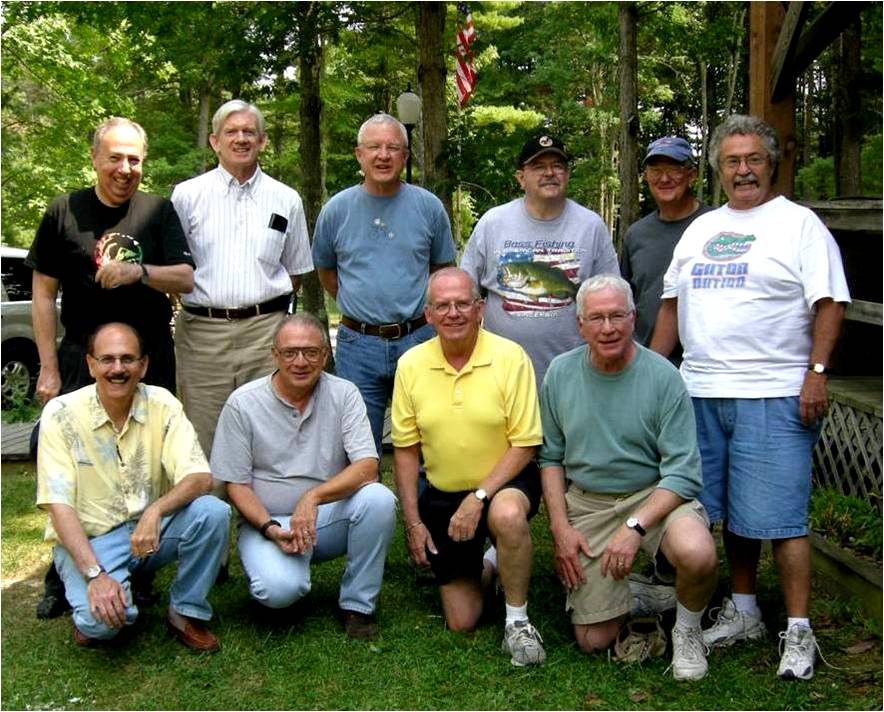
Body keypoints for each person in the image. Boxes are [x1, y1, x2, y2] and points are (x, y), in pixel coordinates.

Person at [650, 114, 850, 681]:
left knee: (783, 520)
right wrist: (650, 371)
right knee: (725, 512)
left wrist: (816, 371)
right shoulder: (699, 229)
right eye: (732, 161)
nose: (743, 170)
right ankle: (743, 611)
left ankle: (799, 631)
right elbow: (672, 308)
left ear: (771, 164)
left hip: (775, 391)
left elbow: (830, 302)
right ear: (717, 170)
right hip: (701, 392)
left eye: (753, 159)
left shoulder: (800, 225)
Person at [26, 116, 196, 619]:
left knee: (148, 465)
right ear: (95, 158)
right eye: (115, 158)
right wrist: (47, 367)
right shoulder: (64, 212)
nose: (125, 169)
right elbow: (42, 294)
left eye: (135, 159)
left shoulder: (158, 212)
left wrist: (137, 272)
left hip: (148, 361)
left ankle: (139, 570)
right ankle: (63, 573)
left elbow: (185, 279)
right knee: (68, 464)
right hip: (83, 358)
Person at [539, 274, 718, 680]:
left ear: (633, 318)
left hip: (654, 495)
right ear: (579, 324)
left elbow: (683, 473)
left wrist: (635, 527)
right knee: (593, 640)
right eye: (597, 318)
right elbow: (550, 459)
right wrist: (560, 528)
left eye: (617, 315)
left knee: (697, 551)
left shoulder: (663, 377)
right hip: (590, 501)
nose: (608, 328)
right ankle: (645, 594)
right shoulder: (559, 374)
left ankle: (687, 631)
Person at [35, 322, 230, 651]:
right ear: (90, 364)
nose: (117, 369)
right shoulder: (61, 414)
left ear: (144, 365)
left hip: (147, 533)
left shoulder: (162, 404)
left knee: (213, 512)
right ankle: (94, 608)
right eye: (107, 359)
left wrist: (156, 510)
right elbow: (59, 505)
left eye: (127, 359)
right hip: (91, 541)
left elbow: (199, 476)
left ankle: (184, 612)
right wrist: (95, 574)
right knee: (106, 625)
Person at [392, 267, 546, 667]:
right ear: (428, 315)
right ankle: (493, 561)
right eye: (442, 305)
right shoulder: (410, 365)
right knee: (462, 621)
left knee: (507, 514)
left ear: (480, 309)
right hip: (443, 493)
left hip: (505, 481)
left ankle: (518, 621)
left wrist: (479, 497)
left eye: (463, 303)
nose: (454, 313)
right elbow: (406, 451)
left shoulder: (510, 357)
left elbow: (526, 443)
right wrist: (413, 522)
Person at [211, 314, 396, 639]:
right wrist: (269, 528)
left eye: (311, 352)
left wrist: (312, 498)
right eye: (290, 352)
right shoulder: (243, 403)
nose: (301, 361)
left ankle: (357, 605)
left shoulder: (344, 393)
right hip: (267, 523)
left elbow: (367, 467)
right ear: (275, 355)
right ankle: (282, 578)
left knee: (378, 498)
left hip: (323, 519)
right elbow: (235, 485)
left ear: (325, 355)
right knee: (280, 593)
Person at [171, 99, 313, 459]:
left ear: (263, 141)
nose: (241, 139)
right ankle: (211, 512)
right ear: (214, 141)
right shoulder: (187, 196)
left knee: (269, 430)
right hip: (202, 334)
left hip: (265, 332)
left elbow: (296, 270)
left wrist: (261, 306)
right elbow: (174, 267)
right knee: (204, 435)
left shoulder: (286, 199)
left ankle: (263, 514)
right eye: (231, 132)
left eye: (249, 131)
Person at [312, 113, 456, 454]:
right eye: (373, 147)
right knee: (358, 442)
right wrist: (362, 308)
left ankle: (427, 506)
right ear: (358, 154)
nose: (383, 155)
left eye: (393, 147)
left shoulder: (428, 207)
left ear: (405, 157)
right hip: (358, 344)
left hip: (419, 338)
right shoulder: (336, 210)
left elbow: (441, 270)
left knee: (429, 436)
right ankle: (364, 505)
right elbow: (327, 272)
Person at [461, 134, 618, 391]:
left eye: (557, 166)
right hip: (500, 373)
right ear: (521, 177)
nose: (550, 173)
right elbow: (465, 291)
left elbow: (612, 295)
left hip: (575, 375)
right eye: (538, 167)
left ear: (567, 174)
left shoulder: (591, 226)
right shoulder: (492, 223)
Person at [620, 136, 712, 361]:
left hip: (705, 364)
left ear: (692, 174)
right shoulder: (636, 234)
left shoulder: (715, 226)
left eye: (674, 169)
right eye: (656, 170)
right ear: (645, 177)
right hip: (647, 360)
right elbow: (625, 300)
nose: (664, 178)